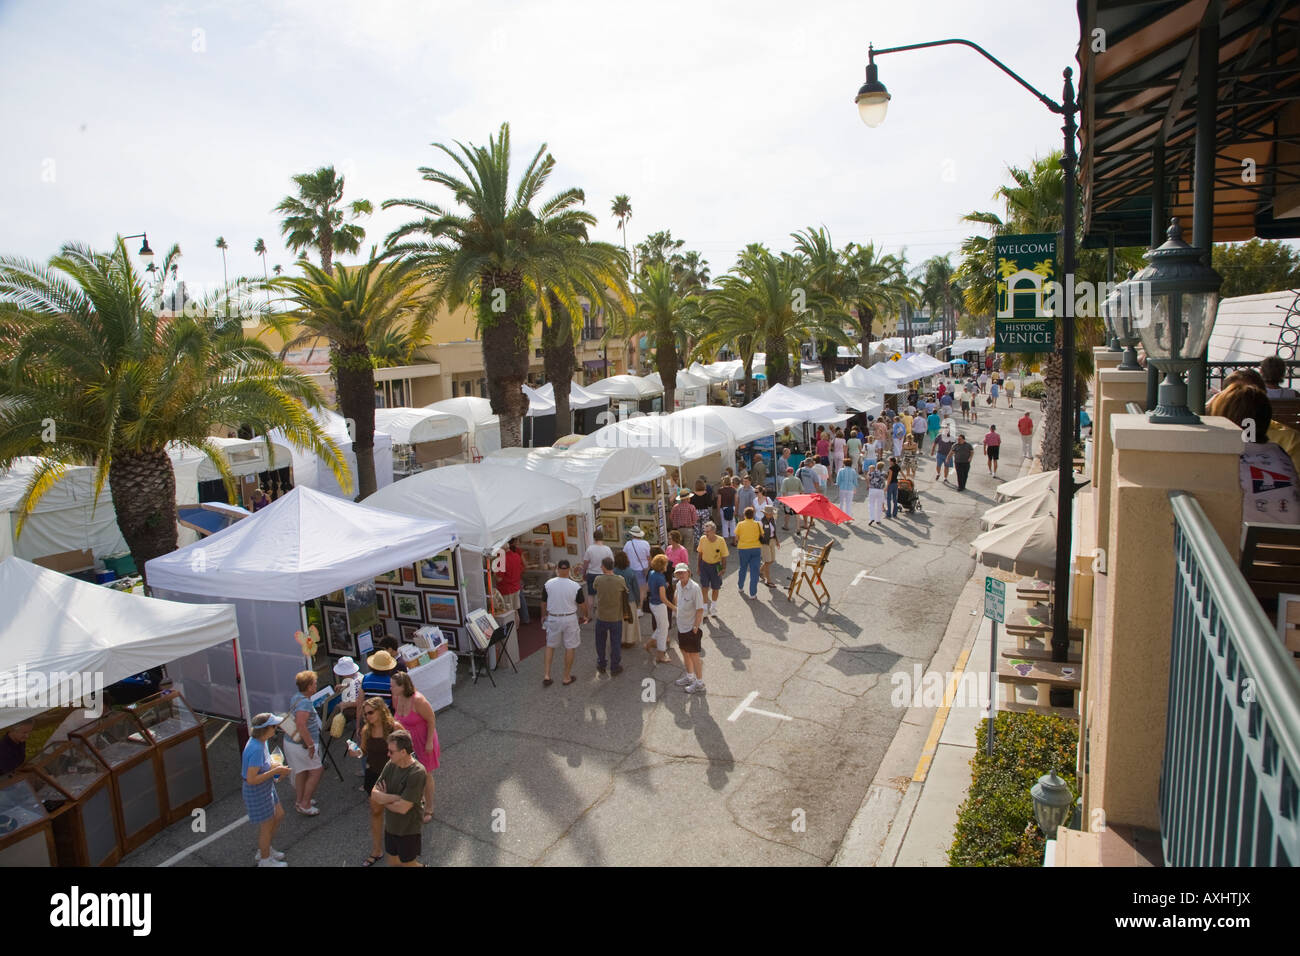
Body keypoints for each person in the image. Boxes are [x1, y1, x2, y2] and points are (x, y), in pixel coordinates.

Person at [1207, 383, 1300, 524]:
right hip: (1290, 542)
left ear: (1225, 420)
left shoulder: (1226, 461)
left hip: (1244, 544)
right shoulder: (1279, 453)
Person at [370, 729, 428, 867]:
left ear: (403, 752)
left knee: (408, 864)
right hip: (391, 827)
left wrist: (383, 799)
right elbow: (374, 794)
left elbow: (402, 808)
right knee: (393, 863)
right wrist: (394, 797)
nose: (388, 754)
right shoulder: (391, 764)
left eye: (391, 751)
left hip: (408, 830)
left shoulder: (417, 773)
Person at [389, 671, 439, 823]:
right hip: (407, 742)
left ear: (403, 686)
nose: (390, 688)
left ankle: (429, 807)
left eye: (393, 686)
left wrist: (429, 742)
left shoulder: (418, 700)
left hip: (423, 740)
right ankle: (418, 800)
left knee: (426, 774)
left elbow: (431, 720)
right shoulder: (397, 698)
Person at [243, 712, 292, 866]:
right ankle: (265, 860)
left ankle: (266, 849)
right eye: (273, 726)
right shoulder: (256, 748)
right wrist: (276, 771)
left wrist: (275, 767)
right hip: (257, 790)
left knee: (278, 814)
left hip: (265, 786)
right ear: (265, 729)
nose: (276, 729)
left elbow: (263, 766)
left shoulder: (260, 741)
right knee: (267, 825)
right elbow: (251, 779)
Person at [352, 698, 395, 866]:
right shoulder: (366, 731)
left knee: (396, 813)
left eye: (371, 712)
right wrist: (356, 753)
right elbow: (363, 751)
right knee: (376, 812)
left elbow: (408, 750)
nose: (367, 716)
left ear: (380, 711)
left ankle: (402, 850)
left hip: (392, 776)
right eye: (365, 714)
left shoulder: (393, 728)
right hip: (373, 775)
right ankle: (377, 850)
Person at [541, 559, 587, 687]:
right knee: (570, 646)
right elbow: (582, 604)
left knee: (550, 645)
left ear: (557, 569)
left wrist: (543, 615)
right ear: (569, 570)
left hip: (553, 617)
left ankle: (547, 675)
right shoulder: (575, 586)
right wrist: (585, 616)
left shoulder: (548, 584)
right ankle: (566, 677)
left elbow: (543, 602)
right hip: (570, 618)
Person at [284, 670, 324, 816]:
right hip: (302, 745)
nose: (316, 686)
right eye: (314, 684)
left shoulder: (297, 697)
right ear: (308, 687)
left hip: (291, 742)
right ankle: (305, 803)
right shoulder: (305, 703)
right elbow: (301, 725)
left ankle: (299, 800)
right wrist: (311, 744)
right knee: (316, 770)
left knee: (301, 771)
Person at [588, 556, 629, 676]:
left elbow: (595, 588)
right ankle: (615, 666)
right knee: (615, 642)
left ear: (604, 567)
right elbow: (626, 590)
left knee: (600, 642)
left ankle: (601, 663)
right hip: (616, 616)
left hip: (601, 616)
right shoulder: (620, 579)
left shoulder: (598, 579)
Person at [671, 563, 708, 694]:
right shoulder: (678, 585)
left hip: (691, 628)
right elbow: (676, 599)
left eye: (682, 572)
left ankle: (699, 682)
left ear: (689, 572)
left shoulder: (695, 588)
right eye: (678, 573)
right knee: (685, 652)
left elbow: (700, 609)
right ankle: (690, 676)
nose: (681, 575)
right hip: (681, 626)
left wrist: (695, 627)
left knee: (694, 656)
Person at [643, 554, 673, 663]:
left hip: (653, 603)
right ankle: (660, 654)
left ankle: (649, 644)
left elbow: (648, 588)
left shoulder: (652, 573)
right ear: (662, 566)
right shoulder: (660, 578)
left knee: (662, 627)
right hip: (659, 605)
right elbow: (663, 598)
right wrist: (674, 607)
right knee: (663, 629)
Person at [695, 521, 729, 615]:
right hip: (704, 565)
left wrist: (723, 568)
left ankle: (713, 608)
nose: (705, 534)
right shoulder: (702, 539)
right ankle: (705, 609)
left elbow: (724, 556)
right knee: (704, 587)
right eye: (704, 531)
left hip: (716, 565)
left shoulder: (721, 540)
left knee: (716, 588)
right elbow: (700, 554)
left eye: (707, 531)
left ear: (713, 531)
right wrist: (698, 567)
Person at [494, 538, 527, 625]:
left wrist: (493, 571)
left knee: (507, 613)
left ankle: (512, 633)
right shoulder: (516, 556)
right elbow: (522, 568)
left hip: (506, 590)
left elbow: (499, 578)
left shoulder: (501, 559)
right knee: (515, 611)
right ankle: (516, 630)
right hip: (516, 587)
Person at [613, 550, 642, 647]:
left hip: (617, 599)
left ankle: (620, 639)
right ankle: (629, 640)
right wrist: (638, 601)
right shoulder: (630, 572)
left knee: (619, 621)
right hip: (630, 599)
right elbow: (636, 589)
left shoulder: (613, 572)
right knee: (630, 620)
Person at [734, 506, 763, 599]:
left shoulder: (740, 524)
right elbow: (762, 535)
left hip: (743, 549)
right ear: (753, 515)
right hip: (756, 548)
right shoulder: (758, 524)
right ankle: (753, 593)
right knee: (754, 571)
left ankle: (740, 586)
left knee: (743, 568)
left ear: (744, 515)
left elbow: (736, 537)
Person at [623, 526, 651, 608]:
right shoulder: (645, 544)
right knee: (641, 590)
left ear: (632, 535)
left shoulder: (628, 544)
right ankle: (640, 607)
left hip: (631, 569)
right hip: (642, 569)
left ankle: (633, 606)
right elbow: (649, 557)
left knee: (631, 589)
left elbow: (625, 556)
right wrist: (649, 567)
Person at [582, 529, 614, 597]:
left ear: (594, 538)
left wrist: (584, 573)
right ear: (602, 537)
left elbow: (585, 563)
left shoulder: (590, 549)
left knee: (591, 595)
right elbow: (612, 563)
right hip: (604, 574)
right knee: (604, 595)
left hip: (592, 574)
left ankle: (591, 608)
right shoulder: (607, 549)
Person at [669, 488, 699, 555]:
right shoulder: (691, 507)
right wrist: (691, 524)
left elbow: (671, 517)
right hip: (689, 529)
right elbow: (695, 519)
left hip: (678, 529)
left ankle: (679, 562)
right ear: (687, 498)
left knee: (678, 548)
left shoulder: (675, 507)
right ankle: (685, 562)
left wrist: (676, 522)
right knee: (687, 550)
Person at [759, 504, 780, 587]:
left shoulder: (772, 519)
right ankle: (768, 580)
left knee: (772, 560)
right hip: (764, 543)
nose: (771, 514)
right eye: (770, 513)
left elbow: (774, 531)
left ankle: (760, 571)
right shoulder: (761, 522)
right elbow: (759, 534)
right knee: (767, 561)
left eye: (772, 513)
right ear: (765, 513)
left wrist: (777, 541)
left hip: (772, 541)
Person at [779, 466, 802, 531]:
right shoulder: (798, 479)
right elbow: (801, 490)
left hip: (788, 498)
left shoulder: (785, 480)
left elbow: (783, 491)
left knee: (787, 513)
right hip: (796, 498)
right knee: (797, 514)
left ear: (787, 472)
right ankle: (798, 528)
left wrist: (784, 502)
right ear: (793, 472)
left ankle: (786, 525)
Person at [718, 474, 738, 542]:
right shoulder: (733, 489)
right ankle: (734, 541)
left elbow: (719, 501)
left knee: (724, 524)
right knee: (733, 524)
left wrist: (718, 510)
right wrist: (736, 510)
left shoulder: (721, 490)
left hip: (723, 508)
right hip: (732, 507)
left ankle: (725, 541)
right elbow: (736, 500)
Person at [867, 461, 887, 526]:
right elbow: (886, 479)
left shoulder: (873, 472)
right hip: (880, 490)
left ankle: (871, 518)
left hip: (872, 489)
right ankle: (878, 520)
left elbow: (868, 478)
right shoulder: (884, 473)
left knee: (871, 504)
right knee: (879, 505)